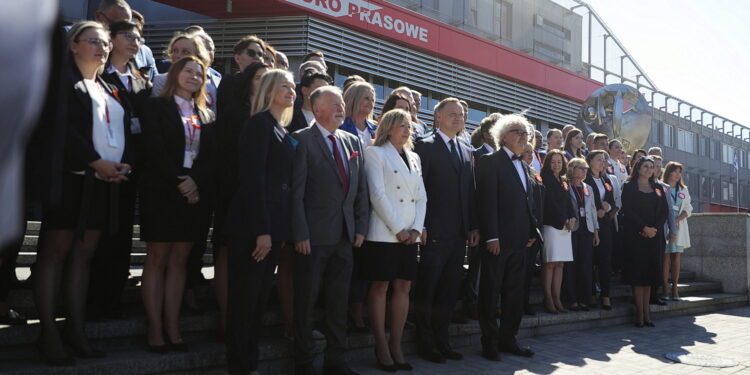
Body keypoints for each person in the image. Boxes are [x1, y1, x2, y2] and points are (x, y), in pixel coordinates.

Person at [35, 21, 132, 365]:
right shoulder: (61, 82)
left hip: (102, 185)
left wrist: (122, 164)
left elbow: (121, 129)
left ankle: (76, 332)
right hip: (69, 181)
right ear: (73, 45)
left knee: (84, 257)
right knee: (55, 255)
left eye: (106, 43)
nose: (102, 48)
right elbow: (58, 129)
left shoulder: (108, 86)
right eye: (94, 41)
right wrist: (93, 161)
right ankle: (48, 334)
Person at [139, 56, 216, 352]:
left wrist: (194, 181)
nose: (194, 76)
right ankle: (155, 328)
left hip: (194, 194)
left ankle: (173, 325)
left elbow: (210, 157)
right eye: (189, 71)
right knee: (158, 258)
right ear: (175, 74)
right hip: (161, 190)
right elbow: (153, 149)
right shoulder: (156, 106)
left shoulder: (206, 114)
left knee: (180, 260)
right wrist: (179, 181)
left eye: (200, 73)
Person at [290, 86, 369, 375]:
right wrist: (300, 233)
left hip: (345, 237)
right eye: (333, 104)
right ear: (317, 109)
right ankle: (304, 362)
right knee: (307, 301)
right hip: (312, 238)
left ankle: (337, 361)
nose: (340, 108)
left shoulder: (351, 141)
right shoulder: (300, 140)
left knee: (339, 303)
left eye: (341, 104)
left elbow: (361, 189)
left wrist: (360, 226)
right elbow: (295, 193)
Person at [224, 69, 297, 374]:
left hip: (274, 227)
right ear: (268, 90)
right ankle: (240, 366)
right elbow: (253, 181)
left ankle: (249, 363)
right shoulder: (258, 125)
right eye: (284, 86)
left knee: (256, 304)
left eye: (293, 86)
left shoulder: (280, 128)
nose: (291, 90)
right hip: (254, 228)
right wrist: (262, 231)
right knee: (245, 301)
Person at [88, 19, 152, 320]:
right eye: (128, 36)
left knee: (123, 233)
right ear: (111, 39)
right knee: (100, 235)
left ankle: (112, 297)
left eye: (138, 38)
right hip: (102, 167)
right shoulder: (99, 77)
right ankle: (93, 299)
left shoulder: (142, 81)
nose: (134, 42)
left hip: (133, 167)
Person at [413, 98, 478, 364]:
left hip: (459, 233)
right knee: (428, 290)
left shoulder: (465, 147)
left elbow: (469, 191)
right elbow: (420, 189)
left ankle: (443, 341)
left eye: (461, 115)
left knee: (449, 291)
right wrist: (423, 224)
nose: (458, 118)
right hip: (434, 231)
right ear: (438, 117)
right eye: (452, 114)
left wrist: (472, 225)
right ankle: (425, 343)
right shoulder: (424, 146)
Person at [360, 109, 426, 372]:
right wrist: (399, 228)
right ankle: (381, 344)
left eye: (409, 125)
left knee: (404, 287)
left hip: (410, 234)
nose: (407, 130)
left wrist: (416, 230)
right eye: (401, 125)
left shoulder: (415, 156)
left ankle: (396, 344)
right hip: (385, 232)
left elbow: (421, 196)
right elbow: (376, 194)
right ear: (387, 127)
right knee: (380, 286)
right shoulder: (375, 153)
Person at [212, 61, 269, 339]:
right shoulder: (235, 114)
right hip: (233, 195)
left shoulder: (277, 118)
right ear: (247, 82)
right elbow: (223, 158)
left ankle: (248, 324)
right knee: (226, 255)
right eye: (259, 78)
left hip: (262, 203)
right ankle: (226, 317)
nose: (263, 83)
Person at [475, 114, 538, 361]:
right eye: (517, 131)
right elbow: (486, 202)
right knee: (491, 292)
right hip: (498, 241)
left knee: (514, 293)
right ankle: (488, 342)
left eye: (526, 132)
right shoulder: (490, 161)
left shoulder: (524, 164)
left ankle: (508, 339)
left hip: (521, 241)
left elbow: (528, 202)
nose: (524, 136)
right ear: (502, 136)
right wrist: (491, 237)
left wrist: (532, 233)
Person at [621, 156, 668, 327]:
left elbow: (664, 211)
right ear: (638, 168)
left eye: (651, 167)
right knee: (637, 276)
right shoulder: (629, 186)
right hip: (636, 236)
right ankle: (639, 315)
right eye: (645, 166)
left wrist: (654, 229)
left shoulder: (658, 188)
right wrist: (644, 228)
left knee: (649, 277)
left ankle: (647, 314)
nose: (649, 169)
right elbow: (628, 209)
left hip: (653, 237)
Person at [539, 150, 576, 313]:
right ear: (548, 163)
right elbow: (549, 204)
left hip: (565, 227)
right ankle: (548, 299)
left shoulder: (564, 181)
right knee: (550, 264)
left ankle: (557, 298)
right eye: (553, 162)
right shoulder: (544, 179)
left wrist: (572, 217)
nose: (556, 165)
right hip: (552, 225)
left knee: (560, 264)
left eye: (559, 162)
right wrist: (564, 219)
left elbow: (569, 202)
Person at [585, 150, 620, 310]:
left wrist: (608, 207)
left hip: (605, 225)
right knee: (590, 261)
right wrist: (597, 209)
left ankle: (605, 295)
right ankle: (591, 293)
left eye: (604, 159)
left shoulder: (606, 179)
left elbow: (612, 202)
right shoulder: (585, 179)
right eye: (599, 159)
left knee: (605, 261)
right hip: (589, 225)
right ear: (590, 161)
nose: (602, 162)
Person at [564, 157, 599, 311]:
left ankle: (584, 299)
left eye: (586, 168)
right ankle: (571, 299)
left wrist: (596, 232)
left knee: (585, 264)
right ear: (572, 169)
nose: (585, 171)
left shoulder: (588, 188)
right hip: (572, 229)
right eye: (582, 168)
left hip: (587, 229)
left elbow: (592, 210)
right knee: (571, 265)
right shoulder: (565, 185)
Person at [661, 161, 692, 301]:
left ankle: (675, 289)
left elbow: (688, 208)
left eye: (680, 172)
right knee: (665, 257)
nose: (678, 174)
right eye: (676, 171)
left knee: (676, 257)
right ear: (669, 172)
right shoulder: (661, 187)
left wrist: (678, 219)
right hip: (664, 225)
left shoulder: (683, 190)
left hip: (678, 226)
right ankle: (665, 290)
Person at [521, 142, 545, 315]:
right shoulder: (518, 171)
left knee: (528, 271)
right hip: (523, 230)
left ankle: (525, 302)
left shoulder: (533, 173)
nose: (530, 155)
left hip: (535, 229)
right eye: (526, 152)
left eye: (532, 152)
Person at [150, 33, 209, 97]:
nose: (178, 55)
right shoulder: (161, 81)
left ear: (198, 56)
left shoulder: (207, 82)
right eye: (175, 51)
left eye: (185, 52)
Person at [340, 81, 377, 147]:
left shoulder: (376, 129)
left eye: (372, 100)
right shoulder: (340, 126)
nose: (370, 103)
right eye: (366, 98)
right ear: (354, 99)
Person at [130, 10, 158, 80]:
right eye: (130, 26)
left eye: (137, 27)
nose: (134, 30)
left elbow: (155, 78)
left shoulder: (146, 51)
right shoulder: (113, 51)